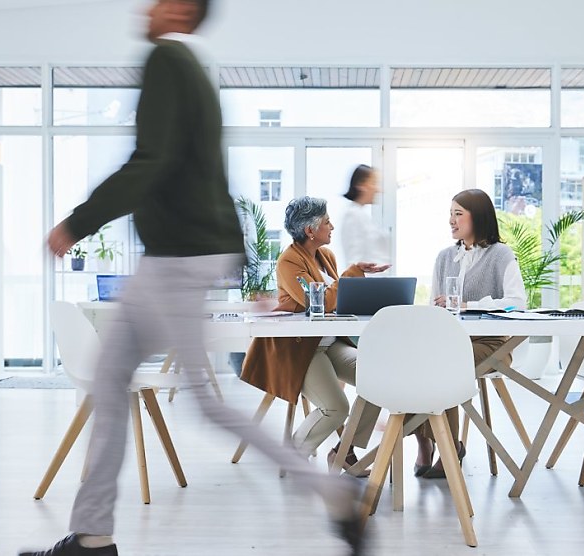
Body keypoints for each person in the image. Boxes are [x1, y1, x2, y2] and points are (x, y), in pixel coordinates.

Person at [23, 3, 367, 555]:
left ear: (181, 9)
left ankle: (332, 491)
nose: (147, 8)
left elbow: (151, 160)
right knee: (113, 381)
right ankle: (92, 535)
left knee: (201, 402)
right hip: (186, 252)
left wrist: (78, 222)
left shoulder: (167, 61)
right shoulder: (195, 75)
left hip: (176, 255)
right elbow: (203, 170)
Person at [242, 197, 389, 473]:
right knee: (336, 407)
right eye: (326, 222)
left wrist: (352, 284)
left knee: (379, 378)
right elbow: (317, 301)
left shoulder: (326, 256)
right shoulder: (289, 261)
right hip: (302, 350)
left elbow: (330, 300)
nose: (332, 226)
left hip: (329, 344)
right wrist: (352, 274)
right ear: (311, 230)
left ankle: (344, 451)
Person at [413, 189, 526, 479]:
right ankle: (425, 442)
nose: (451, 221)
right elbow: (435, 306)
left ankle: (448, 447)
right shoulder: (444, 257)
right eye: (450, 214)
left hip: (489, 345)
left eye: (458, 214)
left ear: (478, 217)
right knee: (417, 362)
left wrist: (468, 305)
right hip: (448, 343)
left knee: (442, 365)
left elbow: (517, 302)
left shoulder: (500, 255)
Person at [341, 165, 391, 271]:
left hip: (375, 282)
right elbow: (354, 261)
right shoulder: (353, 215)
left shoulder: (362, 215)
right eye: (374, 183)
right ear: (360, 185)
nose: (378, 190)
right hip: (366, 284)